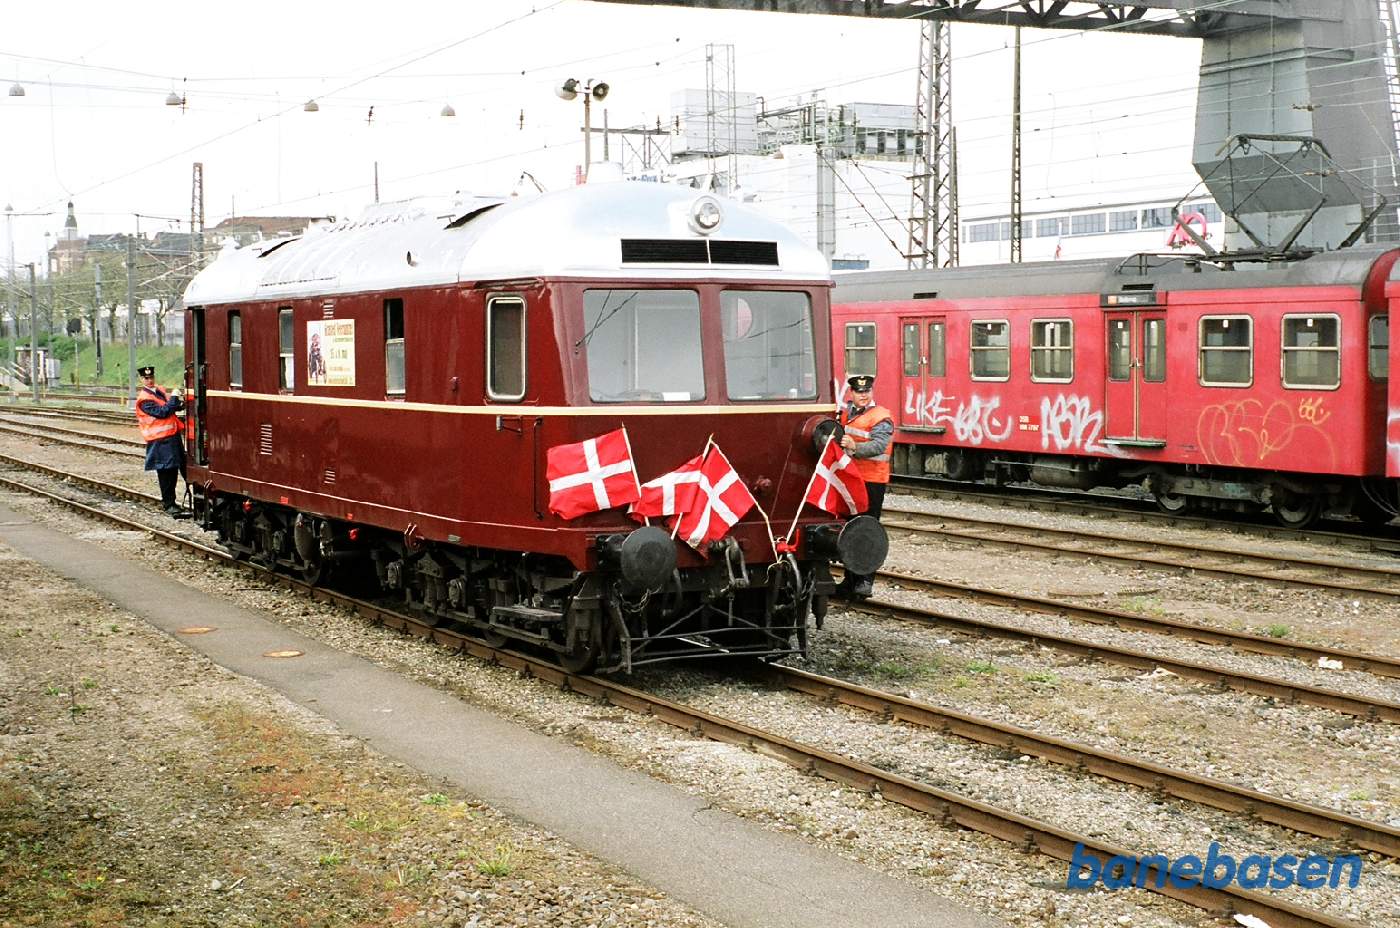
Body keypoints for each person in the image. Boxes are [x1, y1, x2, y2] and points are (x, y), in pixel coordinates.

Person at [837, 373, 892, 599]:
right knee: (850, 529)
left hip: (872, 481)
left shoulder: (881, 417)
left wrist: (854, 448)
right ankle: (850, 581)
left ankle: (865, 581)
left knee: (867, 530)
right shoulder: (845, 414)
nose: (864, 395)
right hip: (850, 480)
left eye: (867, 392)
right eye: (860, 392)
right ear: (852, 393)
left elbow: (879, 445)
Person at [134, 365, 190, 518]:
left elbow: (171, 408)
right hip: (159, 442)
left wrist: (180, 403)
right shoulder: (144, 400)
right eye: (146, 378)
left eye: (151, 377)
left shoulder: (158, 391)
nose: (150, 380)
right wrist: (174, 398)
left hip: (172, 436)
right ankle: (169, 504)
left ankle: (179, 503)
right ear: (141, 379)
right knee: (166, 472)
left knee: (181, 466)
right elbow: (163, 412)